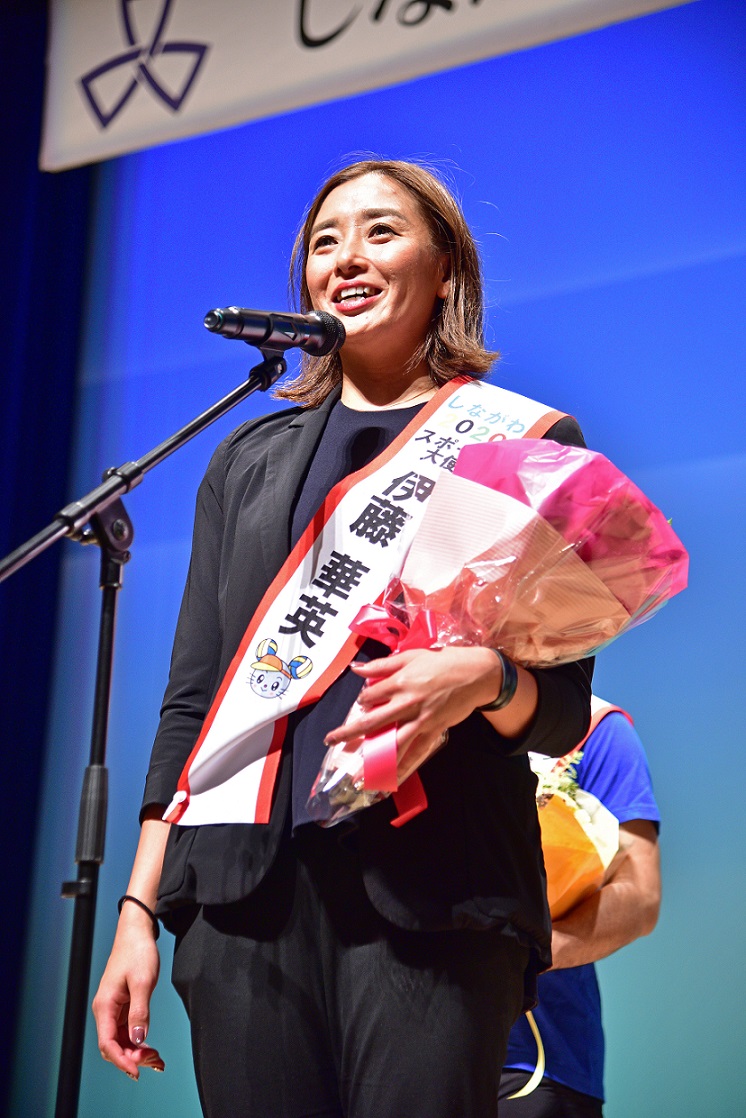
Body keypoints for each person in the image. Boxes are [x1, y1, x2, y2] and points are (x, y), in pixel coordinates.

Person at [92, 158, 594, 1118]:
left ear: (444, 267)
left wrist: (482, 676)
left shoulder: (521, 442)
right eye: (325, 242)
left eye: (379, 232)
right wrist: (139, 914)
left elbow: (561, 708)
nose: (346, 259)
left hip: (435, 899)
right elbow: (195, 701)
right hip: (244, 904)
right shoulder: (247, 456)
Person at [500, 698, 661, 1117]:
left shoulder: (596, 727)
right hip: (404, 1040)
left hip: (538, 1063)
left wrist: (534, 951)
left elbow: (641, 895)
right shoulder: (422, 711)